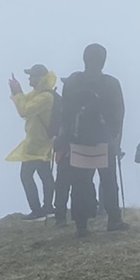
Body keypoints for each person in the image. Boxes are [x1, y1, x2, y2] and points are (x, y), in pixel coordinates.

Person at [52, 43, 127, 237]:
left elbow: (65, 113)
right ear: (103, 60)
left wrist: (64, 138)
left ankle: (81, 225)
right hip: (103, 142)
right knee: (109, 181)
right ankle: (114, 219)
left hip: (77, 142)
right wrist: (115, 141)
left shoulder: (73, 82)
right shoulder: (111, 83)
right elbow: (118, 115)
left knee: (80, 183)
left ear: (84, 58)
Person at [6, 67, 58, 219]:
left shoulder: (45, 97)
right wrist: (18, 91)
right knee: (45, 174)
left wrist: (17, 92)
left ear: (40, 78)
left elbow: (24, 110)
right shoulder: (41, 94)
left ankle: (38, 209)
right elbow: (25, 102)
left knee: (26, 175)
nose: (29, 80)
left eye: (31, 77)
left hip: (37, 143)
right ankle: (47, 207)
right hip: (40, 141)